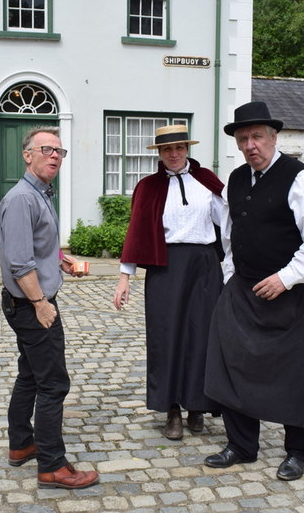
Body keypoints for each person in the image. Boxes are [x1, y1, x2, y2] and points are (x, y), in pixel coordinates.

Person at [204, 101, 304, 481]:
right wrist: (231, 273)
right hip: (242, 288)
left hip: (287, 291)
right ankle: (242, 445)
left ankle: (300, 449)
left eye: (257, 137)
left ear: (273, 137)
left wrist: (286, 277)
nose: (250, 145)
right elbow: (230, 235)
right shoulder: (236, 179)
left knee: (292, 371)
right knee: (231, 361)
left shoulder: (300, 179)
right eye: (243, 138)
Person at [0, 126, 99, 490]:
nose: (55, 156)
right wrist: (41, 303)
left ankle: (22, 444)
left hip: (28, 300)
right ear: (27, 155)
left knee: (30, 376)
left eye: (59, 151)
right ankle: (53, 466)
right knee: (54, 383)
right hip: (30, 304)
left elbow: (35, 248)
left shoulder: (39, 194)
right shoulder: (23, 198)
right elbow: (19, 263)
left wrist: (59, 259)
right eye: (47, 149)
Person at [113, 124, 224, 440]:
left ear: (187, 149)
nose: (174, 154)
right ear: (159, 154)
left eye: (179, 148)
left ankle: (197, 406)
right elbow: (135, 233)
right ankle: (172, 409)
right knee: (167, 337)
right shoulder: (148, 187)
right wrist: (124, 279)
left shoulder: (208, 183)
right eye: (166, 149)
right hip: (166, 268)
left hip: (205, 266)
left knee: (202, 337)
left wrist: (233, 268)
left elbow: (228, 226)